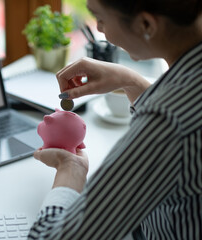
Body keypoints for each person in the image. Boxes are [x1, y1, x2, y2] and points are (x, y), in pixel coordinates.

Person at [28, 0, 202, 239]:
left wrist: (71, 171)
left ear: (145, 24)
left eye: (100, 18)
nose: (98, 29)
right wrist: (132, 81)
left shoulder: (168, 122)